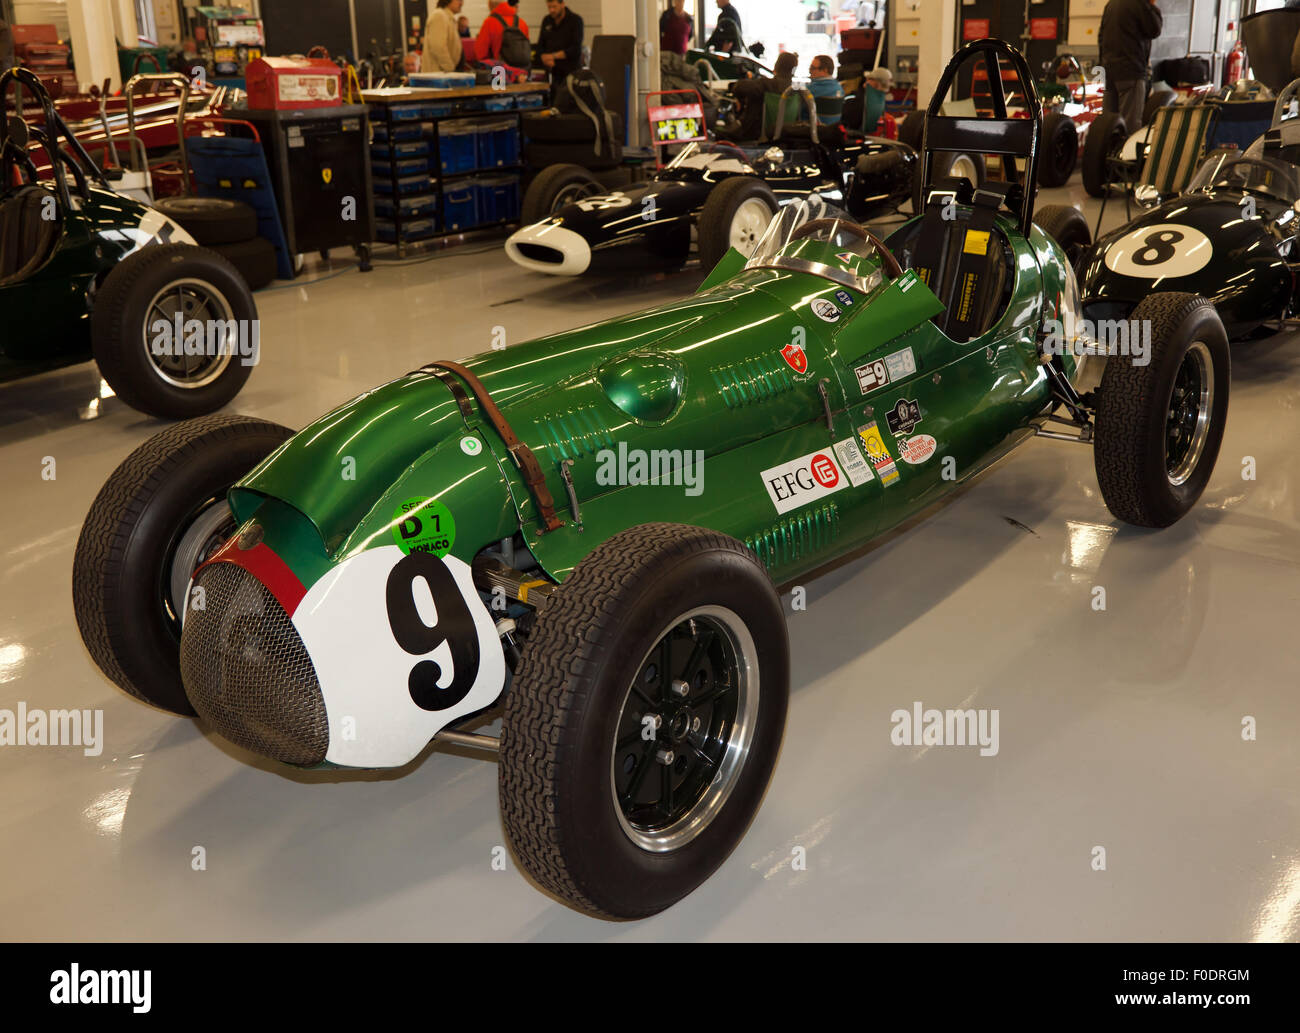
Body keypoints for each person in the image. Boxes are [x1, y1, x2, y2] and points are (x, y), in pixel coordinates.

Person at [1099, 0, 1162, 131]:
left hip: (1109, 71)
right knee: (1129, 124)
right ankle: (1125, 152)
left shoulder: (1111, 4)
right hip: (1131, 71)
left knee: (1108, 125)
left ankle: (1107, 151)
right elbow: (1155, 29)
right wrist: (1151, 5)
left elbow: (1101, 36)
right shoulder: (1139, 4)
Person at [729, 49, 798, 140]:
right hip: (786, 134)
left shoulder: (765, 85)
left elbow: (739, 87)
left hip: (754, 134)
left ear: (776, 65)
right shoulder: (797, 90)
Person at [537, 0, 584, 86]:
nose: (551, 10)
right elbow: (540, 45)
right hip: (552, 72)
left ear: (562, 4)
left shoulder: (576, 20)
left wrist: (553, 56)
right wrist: (543, 57)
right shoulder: (547, 20)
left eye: (554, 7)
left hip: (570, 73)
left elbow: (576, 49)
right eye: (549, 7)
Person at [477, 0, 531, 66]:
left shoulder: (489, 22)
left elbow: (481, 53)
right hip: (521, 72)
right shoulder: (522, 23)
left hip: (500, 71)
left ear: (490, 5)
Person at [422, 0, 463, 73]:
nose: (461, 3)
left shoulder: (448, 18)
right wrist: (449, 68)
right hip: (437, 76)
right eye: (459, 0)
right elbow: (438, 46)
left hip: (442, 74)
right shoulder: (439, 15)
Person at [806, 54, 843, 124]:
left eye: (812, 68)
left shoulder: (811, 89)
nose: (810, 71)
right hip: (833, 129)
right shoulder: (839, 87)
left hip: (814, 130)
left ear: (825, 70)